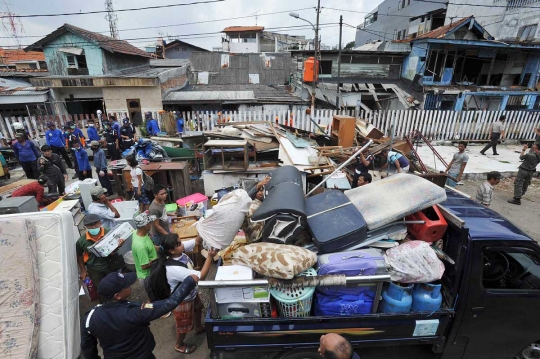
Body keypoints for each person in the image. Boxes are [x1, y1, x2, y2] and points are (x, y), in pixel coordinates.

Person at [80, 272, 198, 359]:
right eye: (126, 286)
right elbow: (168, 304)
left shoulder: (89, 318)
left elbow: (88, 349)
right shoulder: (134, 312)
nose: (130, 286)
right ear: (118, 295)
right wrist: (189, 282)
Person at [149, 233, 216, 354]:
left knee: (198, 307)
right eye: (179, 244)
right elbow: (201, 276)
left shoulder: (178, 252)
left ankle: (198, 327)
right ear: (171, 250)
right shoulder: (174, 269)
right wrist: (210, 257)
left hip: (190, 292)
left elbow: (197, 240)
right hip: (183, 299)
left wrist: (204, 227)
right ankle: (179, 344)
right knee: (183, 324)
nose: (182, 245)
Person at [76, 214, 126, 303]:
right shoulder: (81, 241)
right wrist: (83, 270)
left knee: (116, 287)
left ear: (100, 223)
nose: (93, 226)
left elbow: (114, 249)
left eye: (95, 224)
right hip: (95, 269)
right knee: (101, 290)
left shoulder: (110, 233)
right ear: (85, 227)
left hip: (111, 266)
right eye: (90, 225)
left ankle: (120, 303)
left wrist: (119, 245)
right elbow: (79, 256)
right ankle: (105, 306)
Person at [132, 212, 159, 292]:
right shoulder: (141, 246)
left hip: (150, 273)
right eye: (150, 223)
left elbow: (148, 246)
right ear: (145, 226)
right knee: (154, 295)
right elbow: (144, 266)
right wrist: (158, 259)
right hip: (147, 276)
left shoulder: (136, 233)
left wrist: (157, 247)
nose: (151, 224)